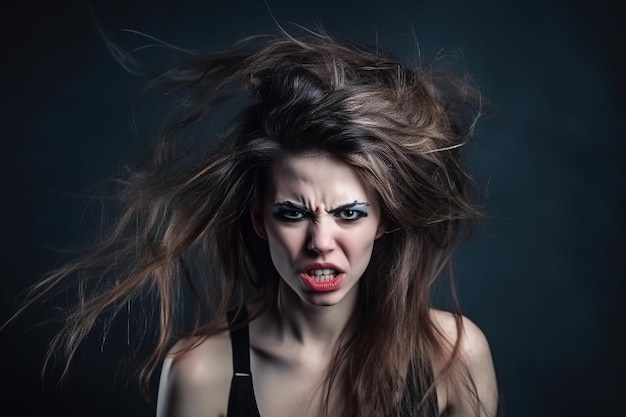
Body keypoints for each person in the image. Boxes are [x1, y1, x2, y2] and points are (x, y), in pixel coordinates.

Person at [8, 28, 499, 417]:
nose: (321, 242)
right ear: (260, 221)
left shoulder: (453, 355)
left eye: (349, 213)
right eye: (293, 213)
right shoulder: (201, 371)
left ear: (384, 222)